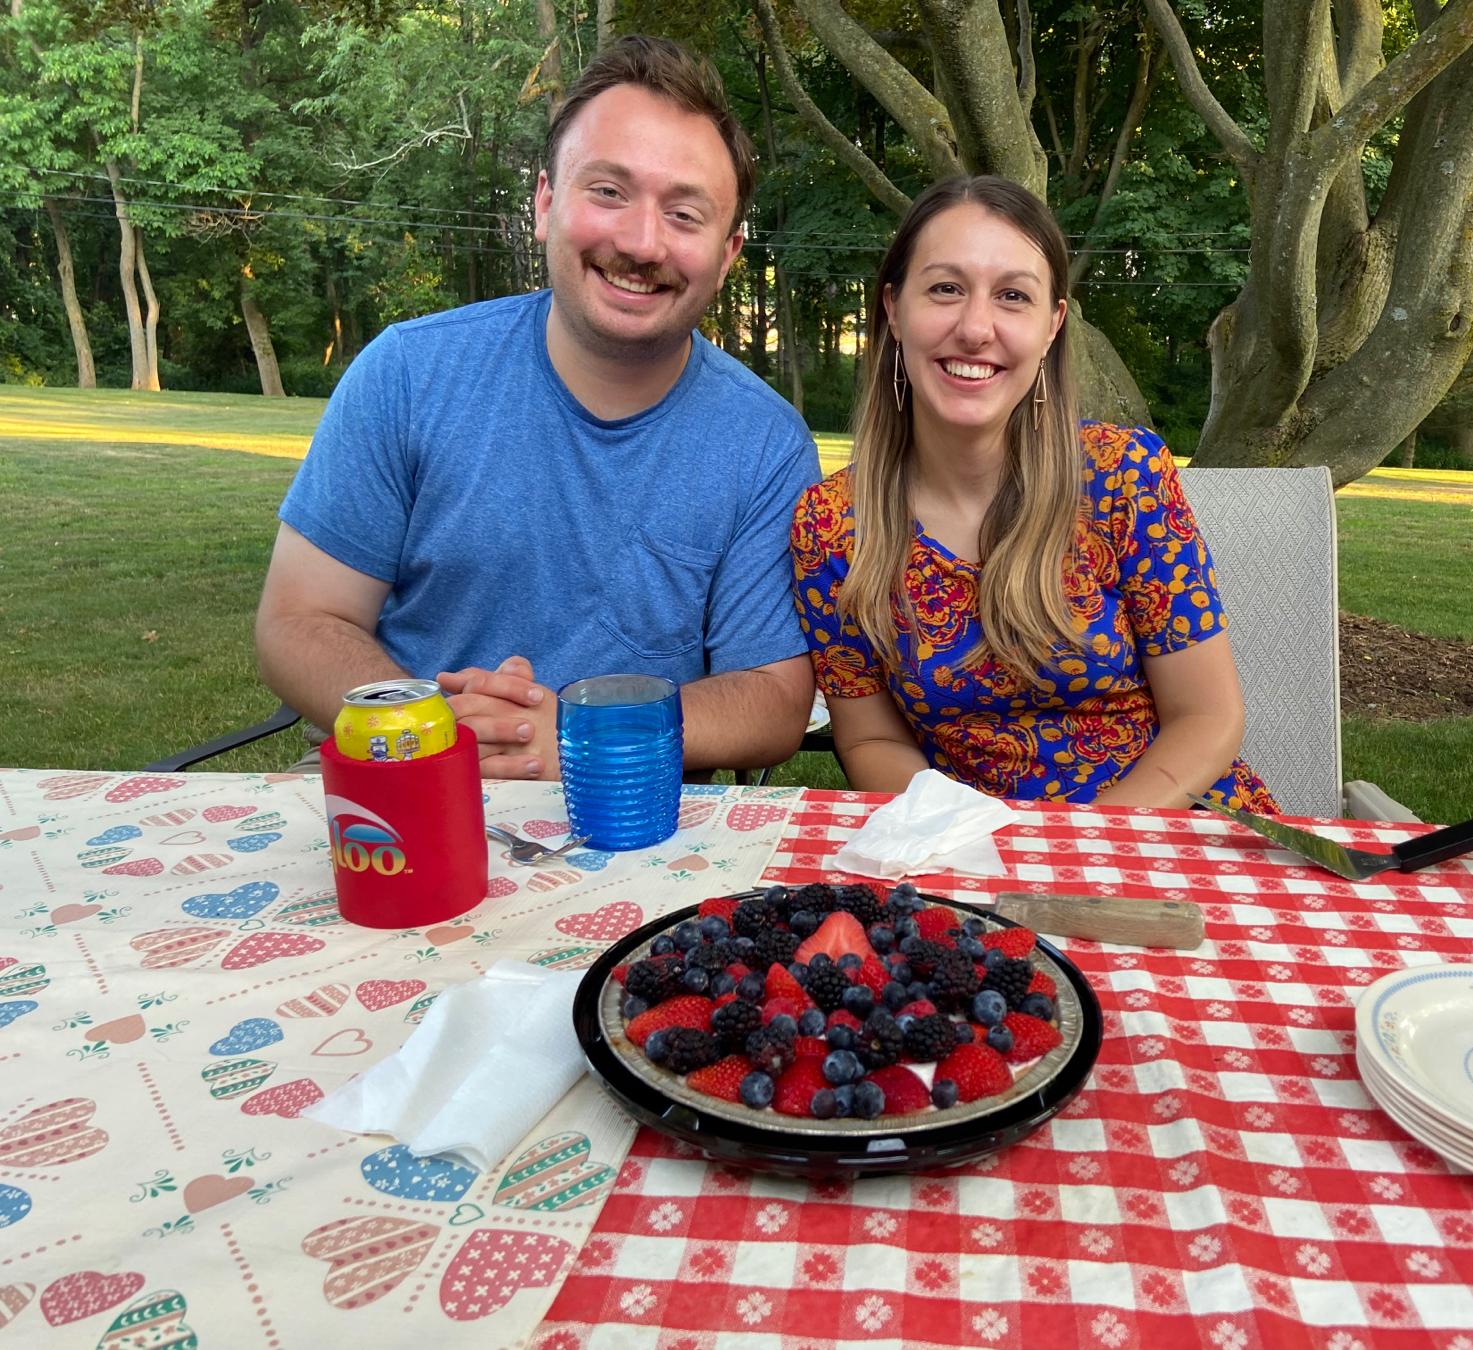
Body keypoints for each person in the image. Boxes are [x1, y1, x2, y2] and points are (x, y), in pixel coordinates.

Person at [256, 36, 819, 779]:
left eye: (684, 214)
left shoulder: (765, 445)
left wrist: (585, 735)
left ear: (728, 254)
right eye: (608, 191)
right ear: (546, 202)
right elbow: (300, 620)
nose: (640, 241)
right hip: (399, 782)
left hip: (635, 808)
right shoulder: (408, 373)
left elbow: (773, 698)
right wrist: (432, 726)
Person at [790, 176, 1277, 811]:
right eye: (945, 288)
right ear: (892, 309)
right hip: (967, 852)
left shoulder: (1123, 476)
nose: (975, 327)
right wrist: (970, 836)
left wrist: (1079, 848)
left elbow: (1207, 717)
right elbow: (872, 736)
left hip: (1171, 828)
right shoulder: (831, 525)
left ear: (1052, 327)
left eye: (1012, 296)